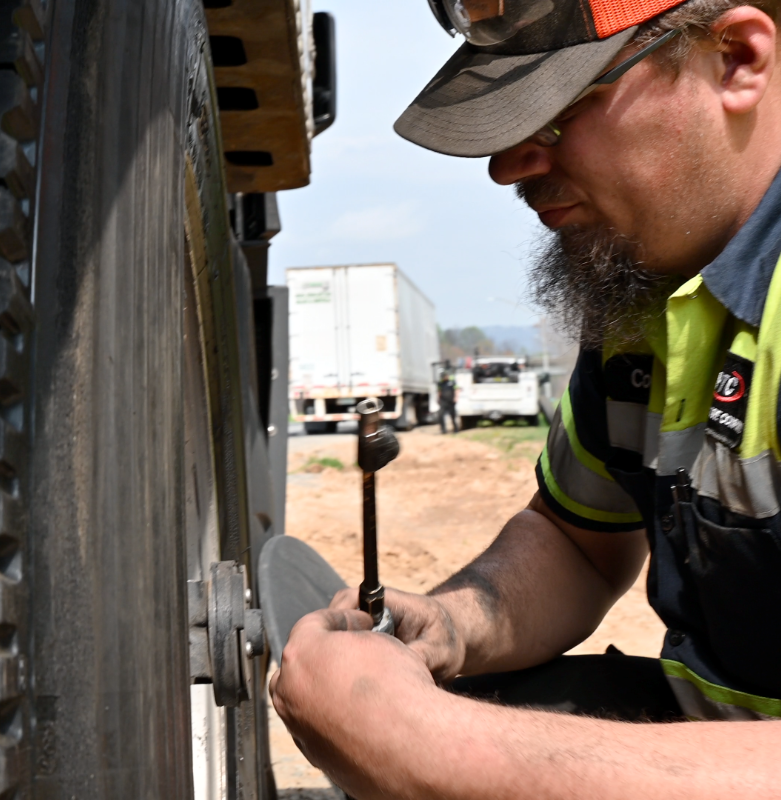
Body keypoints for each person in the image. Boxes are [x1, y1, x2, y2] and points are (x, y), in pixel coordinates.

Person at [270, 0, 781, 795]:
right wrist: (450, 628)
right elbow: (578, 542)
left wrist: (427, 744)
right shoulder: (648, 299)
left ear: (737, 60)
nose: (506, 167)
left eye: (555, 115)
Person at [438, 369, 458, 433]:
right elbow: (439, 391)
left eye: (445, 376)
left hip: (451, 401)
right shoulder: (441, 383)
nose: (444, 377)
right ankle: (443, 430)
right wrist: (438, 398)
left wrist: (455, 397)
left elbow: (456, 390)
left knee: (453, 416)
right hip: (443, 401)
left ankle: (455, 429)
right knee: (440, 415)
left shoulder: (452, 382)